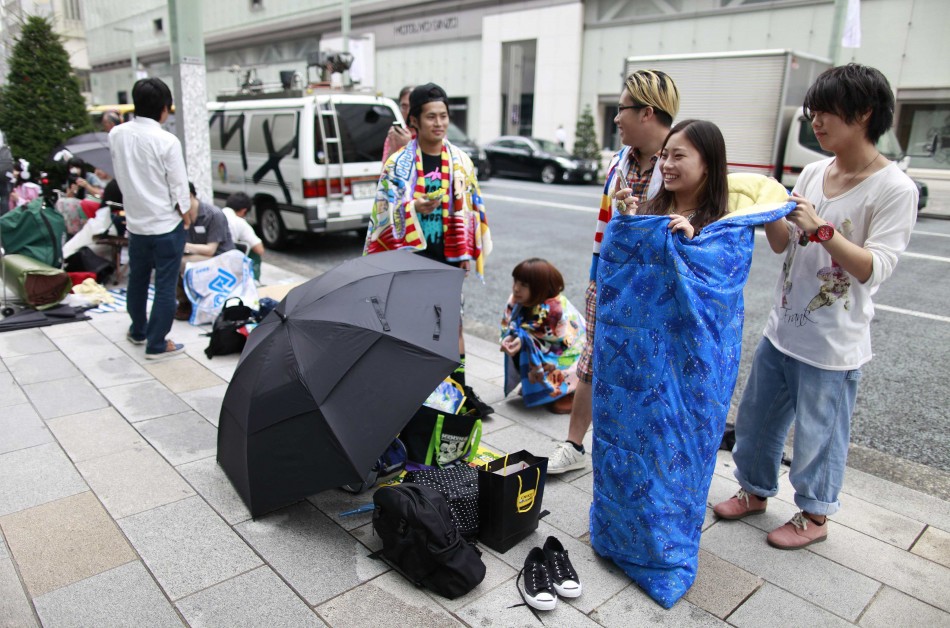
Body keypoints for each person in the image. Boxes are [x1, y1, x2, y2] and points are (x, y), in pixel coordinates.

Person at [590, 119, 794, 608]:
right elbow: (619, 271)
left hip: (688, 369)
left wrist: (693, 240)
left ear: (709, 162)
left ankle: (662, 552)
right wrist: (636, 227)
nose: (667, 164)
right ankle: (617, 535)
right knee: (623, 445)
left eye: (679, 155)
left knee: (670, 451)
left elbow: (729, 278)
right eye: (665, 156)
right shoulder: (653, 209)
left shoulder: (723, 222)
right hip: (636, 367)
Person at [713, 64, 918, 550]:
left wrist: (823, 228)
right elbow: (784, 244)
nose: (816, 123)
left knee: (819, 434)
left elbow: (874, 268)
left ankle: (814, 515)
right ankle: (755, 491)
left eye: (825, 113)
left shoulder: (895, 188)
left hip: (833, 343)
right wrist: (762, 211)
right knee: (757, 420)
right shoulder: (814, 170)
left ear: (864, 113)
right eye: (812, 114)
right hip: (783, 327)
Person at [546, 69, 679, 474]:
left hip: (654, 289)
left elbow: (691, 223)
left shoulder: (677, 159)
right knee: (592, 357)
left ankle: (639, 453)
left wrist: (641, 217)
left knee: (646, 369)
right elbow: (605, 224)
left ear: (648, 113)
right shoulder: (620, 159)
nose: (616, 118)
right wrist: (595, 273)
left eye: (622, 110)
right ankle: (574, 445)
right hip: (608, 278)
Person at [364, 82, 492, 411]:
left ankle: (458, 390)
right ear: (415, 122)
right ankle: (414, 394)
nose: (439, 123)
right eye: (431, 117)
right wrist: (410, 209)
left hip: (449, 260)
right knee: (412, 328)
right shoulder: (398, 165)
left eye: (444, 116)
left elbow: (474, 209)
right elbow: (381, 214)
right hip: (410, 261)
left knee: (453, 325)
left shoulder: (461, 161)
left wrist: (469, 253)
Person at [110, 77, 196, 360]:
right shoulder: (167, 141)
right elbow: (179, 186)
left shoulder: (117, 135)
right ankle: (157, 343)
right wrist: (185, 216)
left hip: (136, 222)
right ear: (164, 108)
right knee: (165, 285)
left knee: (137, 279)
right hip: (165, 224)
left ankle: (138, 330)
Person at [500, 258, 586, 413]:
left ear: (540, 288)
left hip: (569, 354)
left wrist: (521, 340)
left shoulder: (555, 310)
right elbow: (513, 327)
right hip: (541, 348)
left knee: (529, 348)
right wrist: (510, 338)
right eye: (516, 282)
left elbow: (556, 341)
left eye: (524, 285)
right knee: (526, 348)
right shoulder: (516, 301)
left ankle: (570, 392)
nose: (516, 288)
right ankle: (543, 388)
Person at [176, 182, 235, 320]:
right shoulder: (181, 216)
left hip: (221, 257)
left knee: (180, 263)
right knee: (170, 260)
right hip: (197, 255)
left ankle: (186, 303)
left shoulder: (213, 214)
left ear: (189, 196)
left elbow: (210, 250)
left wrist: (184, 246)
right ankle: (184, 302)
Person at [221, 192, 264, 281]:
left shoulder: (215, 214)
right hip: (227, 262)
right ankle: (254, 282)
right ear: (244, 211)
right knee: (254, 252)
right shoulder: (239, 221)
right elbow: (259, 249)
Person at [381, 85, 414, 164]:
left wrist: (408, 146)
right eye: (404, 106)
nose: (408, 111)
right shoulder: (396, 134)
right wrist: (392, 148)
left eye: (412, 106)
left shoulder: (430, 133)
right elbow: (385, 172)